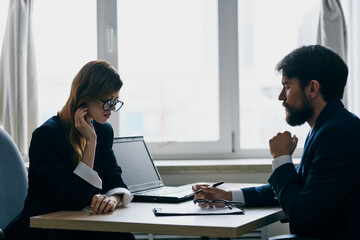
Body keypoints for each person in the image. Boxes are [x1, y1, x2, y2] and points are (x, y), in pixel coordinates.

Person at [193, 45, 360, 240]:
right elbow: (294, 189)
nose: (281, 96)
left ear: (312, 88)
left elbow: (300, 216)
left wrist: (281, 159)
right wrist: (227, 195)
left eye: (287, 86)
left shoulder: (337, 134)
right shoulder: (328, 127)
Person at [4, 60, 135, 240]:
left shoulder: (104, 131)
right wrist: (90, 142)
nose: (112, 108)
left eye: (115, 100)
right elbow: (73, 199)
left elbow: (115, 179)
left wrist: (112, 199)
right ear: (84, 97)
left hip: (79, 223)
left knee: (122, 237)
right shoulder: (46, 136)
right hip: (44, 229)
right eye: (107, 101)